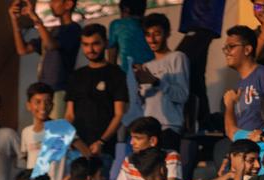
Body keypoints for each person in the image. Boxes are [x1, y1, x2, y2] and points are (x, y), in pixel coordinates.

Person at [66, 23, 127, 161]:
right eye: (86, 45)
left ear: (105, 43)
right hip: (77, 149)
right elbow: (69, 115)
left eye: (95, 44)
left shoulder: (116, 74)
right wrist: (70, 139)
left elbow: (119, 114)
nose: (90, 49)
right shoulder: (76, 75)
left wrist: (101, 142)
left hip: (104, 149)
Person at [9, 0, 82, 115]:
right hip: (43, 91)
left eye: (55, 1)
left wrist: (35, 18)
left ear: (68, 4)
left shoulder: (73, 29)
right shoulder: (52, 31)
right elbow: (22, 50)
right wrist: (14, 20)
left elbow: (51, 45)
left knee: (55, 129)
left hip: (59, 90)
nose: (51, 4)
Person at [135, 13, 191, 147]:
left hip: (169, 128)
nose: (152, 39)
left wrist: (156, 82)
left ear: (167, 34)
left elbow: (182, 95)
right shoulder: (146, 66)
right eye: (148, 35)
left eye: (157, 34)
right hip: (147, 130)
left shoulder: (177, 57)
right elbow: (142, 104)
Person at [224, 24, 264, 131]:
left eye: (231, 47)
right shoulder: (239, 84)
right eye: (225, 48)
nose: (227, 52)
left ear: (247, 49)